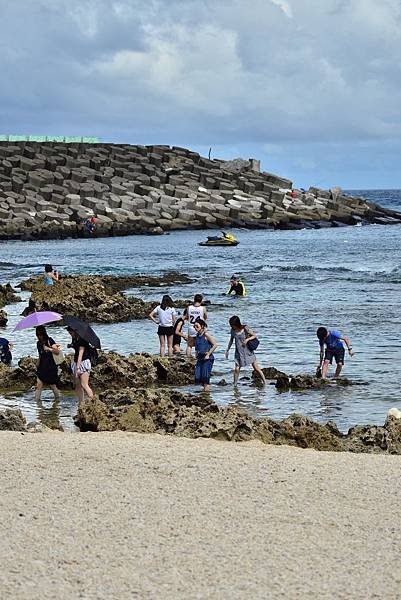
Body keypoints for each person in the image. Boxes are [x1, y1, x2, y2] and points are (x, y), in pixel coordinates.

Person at [225, 316, 266, 385]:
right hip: (239, 351)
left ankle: (264, 381)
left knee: (256, 367)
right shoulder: (232, 330)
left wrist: (247, 339)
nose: (232, 326)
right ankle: (235, 384)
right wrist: (227, 349)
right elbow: (231, 340)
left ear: (237, 323)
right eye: (231, 325)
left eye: (233, 325)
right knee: (237, 368)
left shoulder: (245, 328)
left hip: (248, 351)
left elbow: (254, 335)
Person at [67, 326, 94, 401]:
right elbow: (76, 348)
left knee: (84, 384)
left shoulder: (83, 339)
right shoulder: (75, 339)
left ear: (75, 331)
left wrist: (78, 368)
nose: (70, 334)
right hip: (76, 362)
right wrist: (71, 345)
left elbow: (80, 354)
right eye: (69, 333)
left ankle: (93, 402)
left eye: (71, 333)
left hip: (83, 362)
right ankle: (81, 403)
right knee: (77, 385)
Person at [35, 326, 61, 401]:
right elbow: (40, 354)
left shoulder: (50, 340)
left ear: (44, 334)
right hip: (42, 366)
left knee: (52, 385)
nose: (39, 337)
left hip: (51, 367)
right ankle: (37, 404)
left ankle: (57, 401)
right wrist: (38, 363)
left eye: (40, 335)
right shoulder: (38, 343)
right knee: (39, 385)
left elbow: (57, 352)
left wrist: (48, 349)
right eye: (37, 335)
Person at [194, 318, 218, 392]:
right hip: (200, 358)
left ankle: (206, 393)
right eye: (194, 326)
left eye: (197, 326)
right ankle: (205, 391)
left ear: (202, 326)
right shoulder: (197, 335)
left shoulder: (206, 334)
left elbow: (215, 345)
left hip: (207, 359)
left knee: (205, 378)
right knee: (198, 377)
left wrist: (208, 354)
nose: (195, 328)